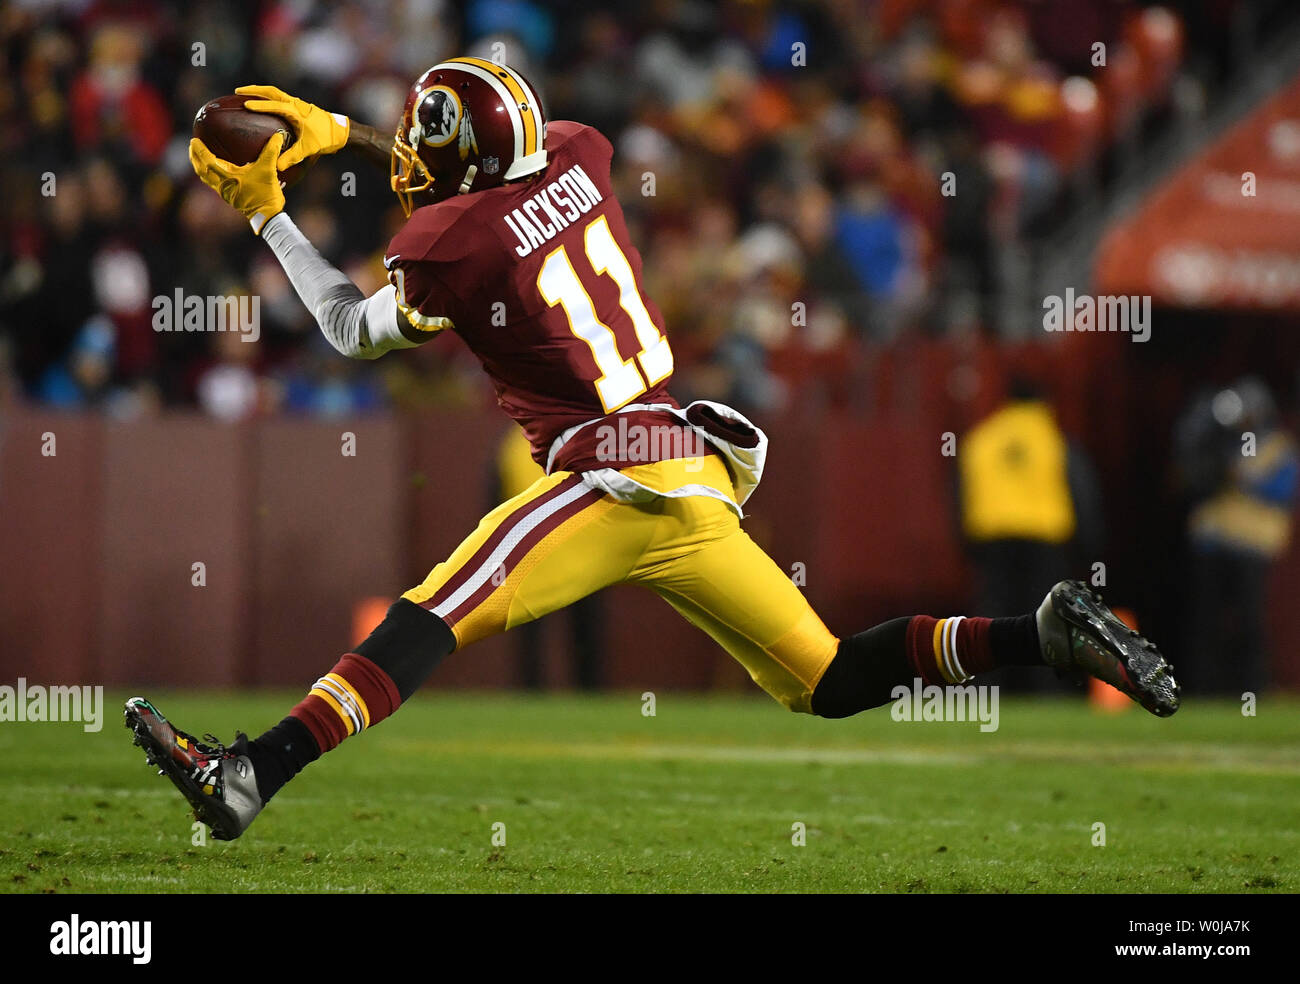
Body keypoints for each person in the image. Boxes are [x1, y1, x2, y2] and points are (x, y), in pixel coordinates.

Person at [125, 58, 1179, 841]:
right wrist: (344, 134)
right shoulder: (578, 151)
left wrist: (271, 215)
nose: (402, 161)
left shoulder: (448, 244)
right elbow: (489, 174)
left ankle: (250, 775)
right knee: (824, 677)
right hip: (685, 463)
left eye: (415, 147)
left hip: (609, 475)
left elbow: (354, 329)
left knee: (434, 611)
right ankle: (1038, 632)